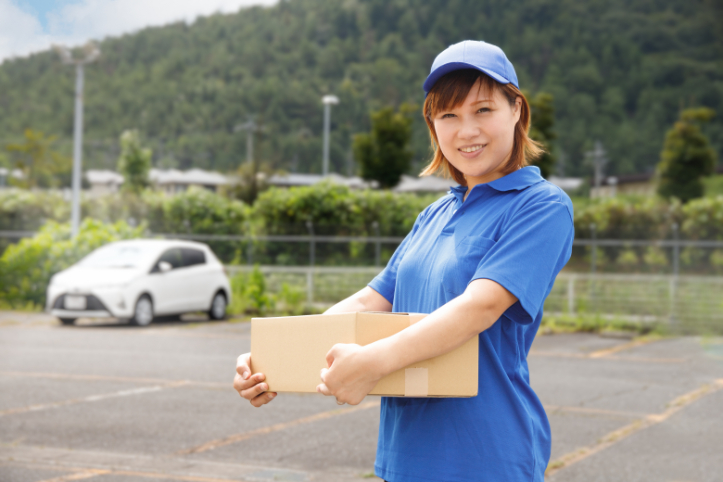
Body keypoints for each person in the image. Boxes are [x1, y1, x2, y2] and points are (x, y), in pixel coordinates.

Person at [234, 40, 574, 482]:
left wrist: (371, 363)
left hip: (485, 455)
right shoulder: (434, 214)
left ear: (516, 111)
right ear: (433, 126)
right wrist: (273, 360)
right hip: (406, 454)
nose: (466, 130)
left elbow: (480, 307)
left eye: (483, 110)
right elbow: (370, 300)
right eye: (448, 115)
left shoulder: (540, 206)